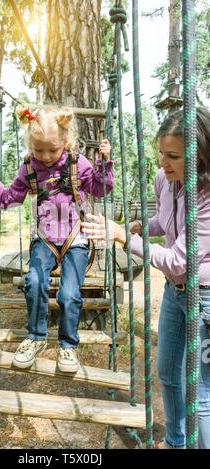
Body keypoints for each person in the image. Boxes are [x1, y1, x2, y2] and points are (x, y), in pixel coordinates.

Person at [82, 107, 210, 449]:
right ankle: (174, 442)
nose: (164, 163)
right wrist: (141, 227)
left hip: (204, 295)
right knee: (168, 373)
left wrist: (125, 238)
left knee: (202, 393)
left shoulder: (207, 197)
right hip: (175, 292)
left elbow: (178, 261)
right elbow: (167, 223)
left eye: (174, 156)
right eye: (160, 154)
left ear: (200, 156)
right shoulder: (163, 179)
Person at [0, 105, 113, 373]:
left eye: (52, 149)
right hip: (45, 238)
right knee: (35, 282)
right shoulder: (29, 168)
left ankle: (68, 346)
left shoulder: (77, 163)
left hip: (75, 239)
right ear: (31, 145)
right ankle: (36, 337)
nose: (46, 156)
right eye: (39, 150)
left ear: (66, 141)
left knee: (69, 294)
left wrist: (104, 164)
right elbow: (8, 199)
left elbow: (101, 188)